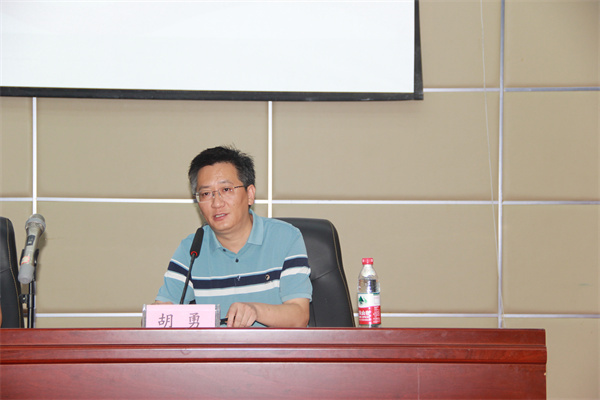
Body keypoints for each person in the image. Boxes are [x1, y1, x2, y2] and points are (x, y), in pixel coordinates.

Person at [155, 146, 312, 327]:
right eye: (206, 194)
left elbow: (299, 316)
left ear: (250, 194)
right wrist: (158, 314)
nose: (217, 203)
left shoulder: (286, 238)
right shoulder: (191, 250)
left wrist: (255, 311)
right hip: (214, 347)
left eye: (226, 190)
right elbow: (163, 312)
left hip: (274, 346)